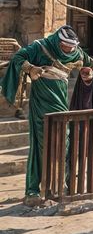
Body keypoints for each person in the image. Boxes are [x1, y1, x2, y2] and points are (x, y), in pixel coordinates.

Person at [3, 26, 85, 201]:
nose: (70, 49)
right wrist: (31, 68)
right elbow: (18, 57)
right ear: (58, 41)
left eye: (72, 46)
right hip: (41, 105)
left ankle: (60, 186)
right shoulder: (40, 47)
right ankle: (33, 190)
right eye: (66, 46)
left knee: (65, 143)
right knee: (41, 146)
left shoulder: (75, 53)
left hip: (61, 105)